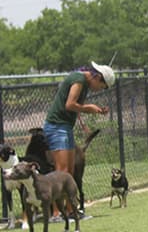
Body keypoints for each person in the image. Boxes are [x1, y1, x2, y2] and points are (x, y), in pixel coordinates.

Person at [43, 62, 113, 211]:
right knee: (61, 172)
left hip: (65, 127)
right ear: (98, 77)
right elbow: (69, 104)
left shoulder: (83, 83)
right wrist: (88, 108)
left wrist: (97, 110)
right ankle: (56, 213)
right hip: (57, 127)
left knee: (69, 173)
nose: (100, 89)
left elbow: (75, 106)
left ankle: (70, 211)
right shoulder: (79, 79)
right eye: (102, 86)